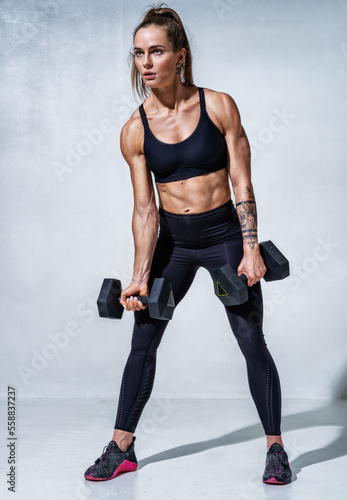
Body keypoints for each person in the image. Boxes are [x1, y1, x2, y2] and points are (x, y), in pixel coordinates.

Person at [84, 3, 292, 485]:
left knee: (250, 340)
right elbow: (145, 209)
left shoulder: (218, 105)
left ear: (179, 55)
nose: (146, 63)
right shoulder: (133, 131)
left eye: (156, 51)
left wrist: (250, 246)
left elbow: (241, 180)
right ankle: (122, 448)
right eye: (138, 54)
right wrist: (139, 276)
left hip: (223, 237)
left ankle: (276, 449)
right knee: (143, 342)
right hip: (174, 243)